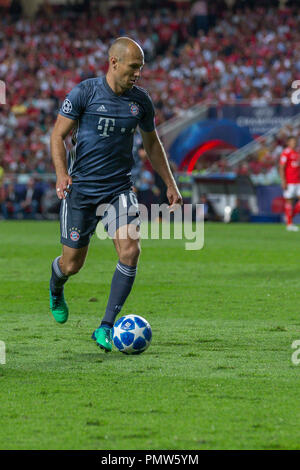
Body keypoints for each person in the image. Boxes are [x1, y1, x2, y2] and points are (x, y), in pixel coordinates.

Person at [49, 37, 182, 352]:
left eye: (140, 68)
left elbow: (152, 144)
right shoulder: (85, 93)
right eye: (133, 67)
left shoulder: (141, 101)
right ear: (114, 63)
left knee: (130, 252)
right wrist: (61, 173)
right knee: (72, 265)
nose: (137, 73)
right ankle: (56, 286)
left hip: (119, 189)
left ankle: (105, 327)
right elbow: (58, 134)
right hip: (81, 190)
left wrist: (170, 182)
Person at [279, 136, 300, 231]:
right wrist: (283, 180)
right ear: (288, 143)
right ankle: (289, 224)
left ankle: (290, 216)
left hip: (298, 180)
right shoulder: (286, 153)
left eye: (295, 142)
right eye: (292, 142)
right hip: (290, 181)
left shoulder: (297, 152)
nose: (294, 143)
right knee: (289, 201)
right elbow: (281, 167)